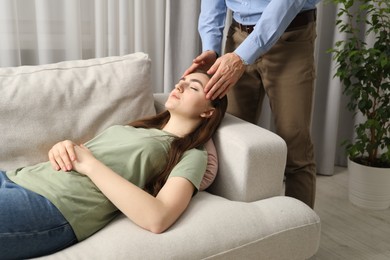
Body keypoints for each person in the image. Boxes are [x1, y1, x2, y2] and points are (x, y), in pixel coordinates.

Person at [0, 71, 228, 259]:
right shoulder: (142, 128)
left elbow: (158, 218)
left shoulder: (192, 154)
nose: (179, 86)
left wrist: (89, 164)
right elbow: (87, 153)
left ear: (209, 111)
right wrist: (63, 147)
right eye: (182, 81)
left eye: (193, 87)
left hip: (54, 204)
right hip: (17, 177)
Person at [183, 0, 321, 209]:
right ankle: (239, 227)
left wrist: (242, 55)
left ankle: (300, 232)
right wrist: (211, 48)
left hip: (291, 39)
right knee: (228, 140)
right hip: (237, 38)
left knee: (295, 146)